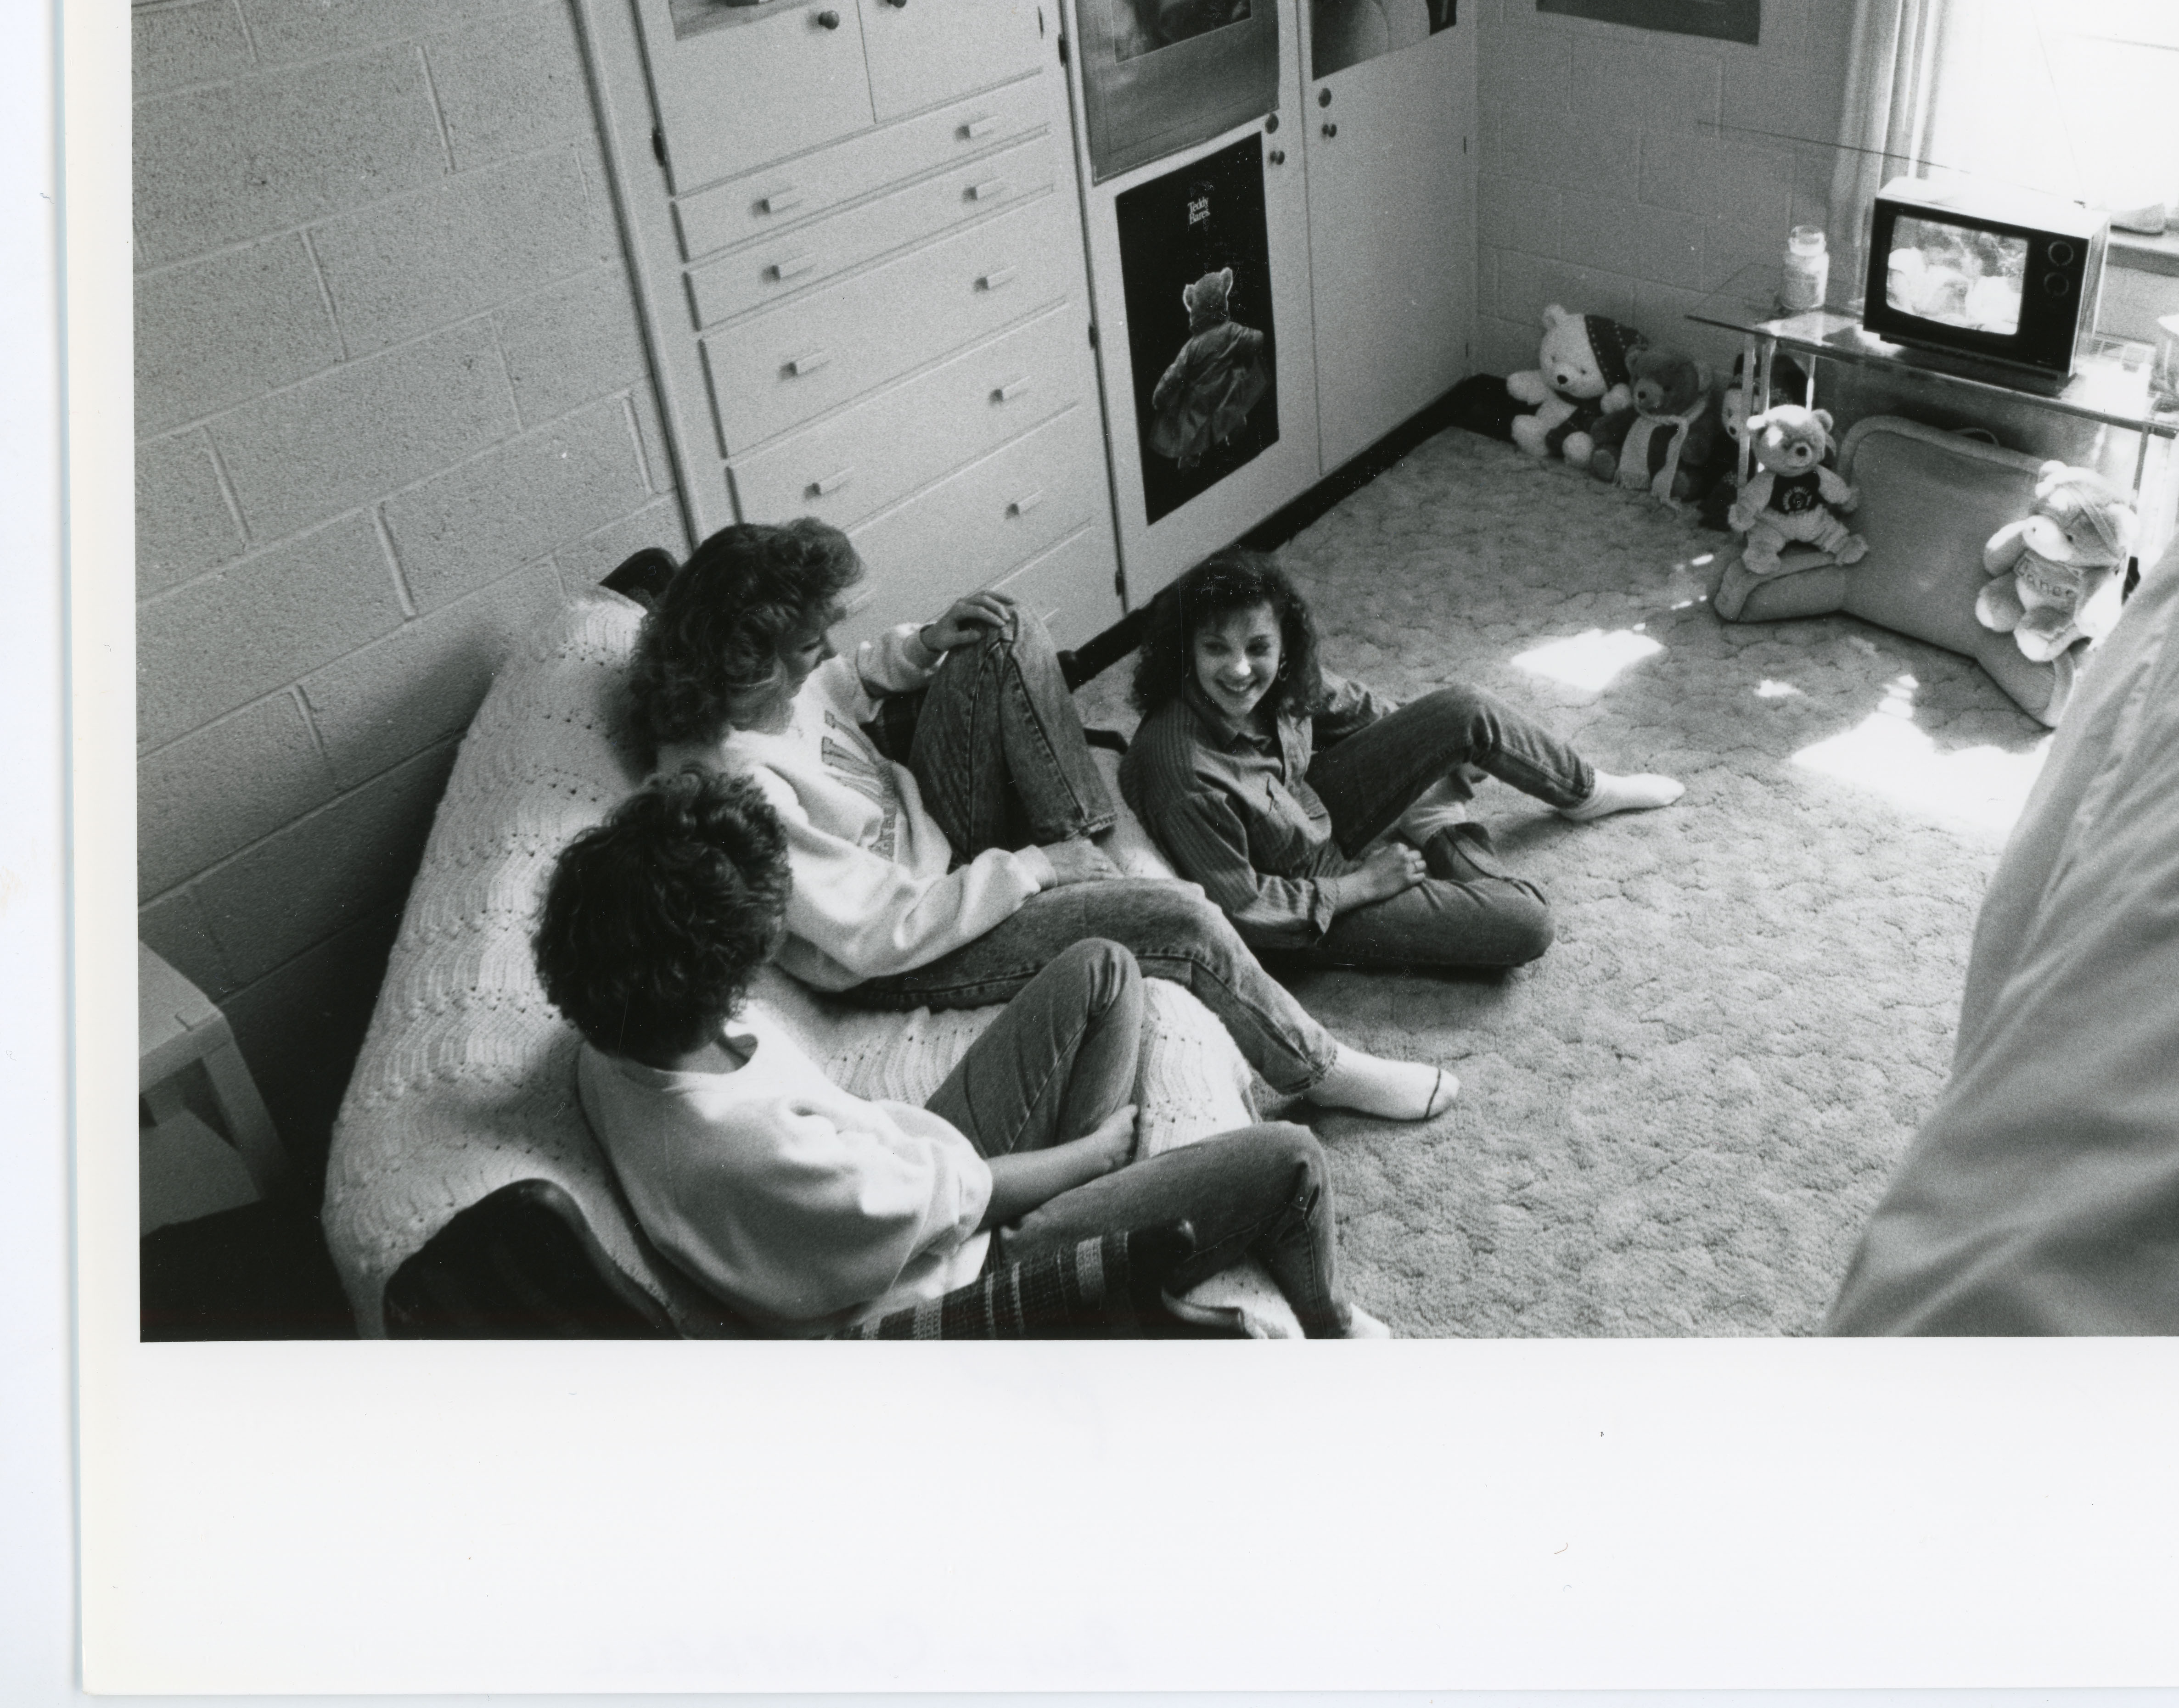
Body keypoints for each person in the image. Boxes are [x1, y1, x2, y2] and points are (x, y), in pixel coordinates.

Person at [632, 519, 1455, 1124]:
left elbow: (835, 690)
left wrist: (920, 646)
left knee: (1004, 627)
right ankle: (1320, 1066)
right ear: (748, 660)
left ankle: (1093, 837)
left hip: (934, 844)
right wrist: (1033, 868)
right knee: (1179, 918)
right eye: (809, 645)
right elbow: (876, 933)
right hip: (913, 944)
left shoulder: (767, 690)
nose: (823, 653)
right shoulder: (733, 790)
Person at [535, 767, 1384, 1338]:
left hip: (910, 1180)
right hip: (957, 1281)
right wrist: (1088, 1152)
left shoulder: (613, 1041)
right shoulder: (747, 1148)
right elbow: (956, 1200)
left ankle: (1106, 1218)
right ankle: (1331, 1323)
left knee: (1103, 969)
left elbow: (909, 1180)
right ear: (709, 972)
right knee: (1291, 1160)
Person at [1120, 548, 1684, 973]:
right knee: (1523, 921)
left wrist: (1438, 751)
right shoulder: (1183, 771)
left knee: (1464, 710)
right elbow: (1245, 909)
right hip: (1301, 906)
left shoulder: (1280, 680)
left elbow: (1358, 707)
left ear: (1282, 645)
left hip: (1305, 808)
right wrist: (1364, 885)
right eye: (1216, 648)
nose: (1240, 670)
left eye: (1258, 648)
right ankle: (1438, 824)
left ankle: (1587, 792)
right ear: (1185, 650)